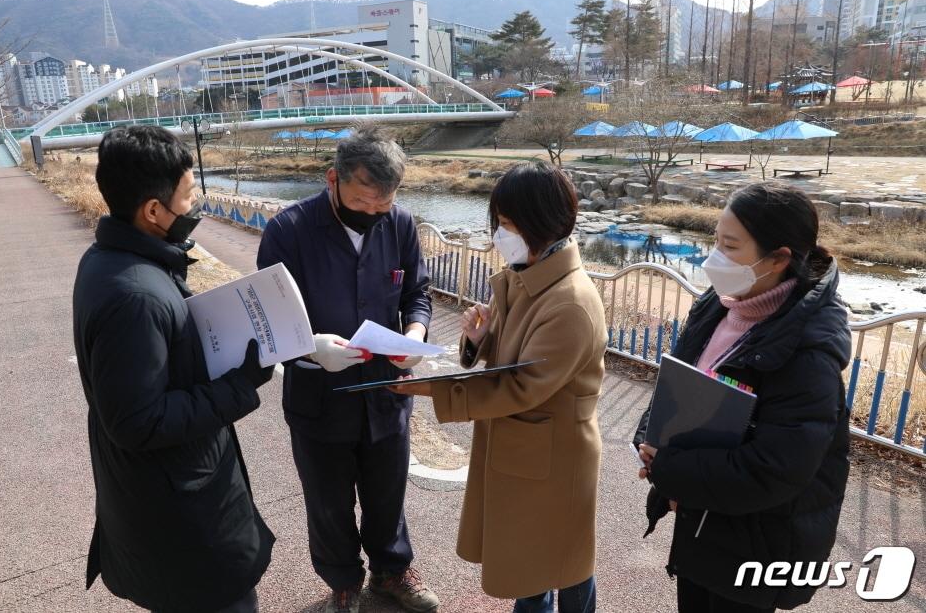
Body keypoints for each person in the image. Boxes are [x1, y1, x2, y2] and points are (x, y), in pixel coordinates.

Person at [73, 125, 276, 613]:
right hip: (181, 516)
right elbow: (137, 421)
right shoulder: (135, 296)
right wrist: (239, 384)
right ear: (152, 211)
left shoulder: (112, 260)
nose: (196, 204)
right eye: (188, 196)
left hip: (164, 499)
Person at [394, 161, 607, 613]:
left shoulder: (570, 301)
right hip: (528, 443)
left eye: (507, 224)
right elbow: (513, 355)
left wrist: (437, 389)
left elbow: (525, 384)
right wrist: (477, 340)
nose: (499, 233)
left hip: (553, 452)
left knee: (554, 566)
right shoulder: (525, 272)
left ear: (540, 224)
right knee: (540, 560)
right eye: (498, 223)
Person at [633, 183, 851, 612]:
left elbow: (776, 468)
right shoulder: (720, 305)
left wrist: (670, 468)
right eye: (715, 240)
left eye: (730, 246)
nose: (714, 257)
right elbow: (677, 386)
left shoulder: (808, 350)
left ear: (778, 259)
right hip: (700, 520)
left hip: (756, 545)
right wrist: (649, 439)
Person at [256, 124, 437, 613]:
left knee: (387, 494)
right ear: (332, 179)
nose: (373, 214)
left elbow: (417, 293)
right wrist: (310, 347)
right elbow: (269, 322)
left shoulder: (399, 224)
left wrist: (415, 335)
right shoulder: (288, 231)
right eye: (363, 203)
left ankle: (392, 572)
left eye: (383, 205)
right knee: (328, 502)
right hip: (320, 397)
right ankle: (342, 580)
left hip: (385, 390)